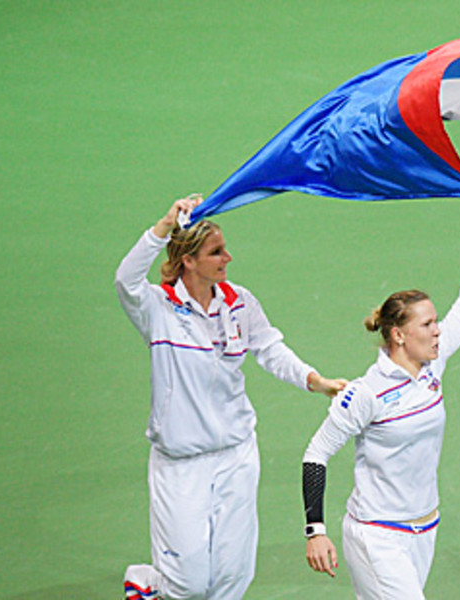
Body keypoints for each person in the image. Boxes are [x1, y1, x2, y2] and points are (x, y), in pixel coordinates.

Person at [116, 194, 347, 600]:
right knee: (186, 582)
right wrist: (165, 224)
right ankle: (143, 583)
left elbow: (271, 349)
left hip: (237, 454)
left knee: (231, 579)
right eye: (216, 252)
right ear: (188, 260)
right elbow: (125, 279)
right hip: (181, 463)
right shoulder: (157, 307)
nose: (228, 258)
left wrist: (316, 380)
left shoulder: (239, 302)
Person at [301, 185, 460, 599]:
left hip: (424, 529)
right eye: (426, 324)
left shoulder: (433, 364)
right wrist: (315, 531)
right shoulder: (365, 394)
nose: (437, 330)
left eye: (434, 321)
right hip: (376, 536)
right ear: (398, 335)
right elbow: (316, 455)